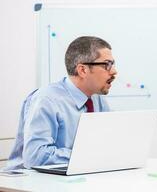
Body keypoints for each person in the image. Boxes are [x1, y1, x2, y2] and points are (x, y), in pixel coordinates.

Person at [4, 36, 117, 170]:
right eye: (107, 65)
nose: (114, 71)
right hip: (26, 182)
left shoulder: (98, 100)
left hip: (75, 176)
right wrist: (85, 156)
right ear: (83, 70)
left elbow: (104, 144)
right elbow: (35, 156)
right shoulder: (47, 100)